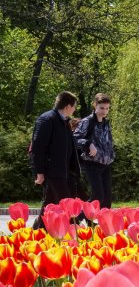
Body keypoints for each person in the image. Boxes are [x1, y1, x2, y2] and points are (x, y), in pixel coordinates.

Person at [30, 91, 83, 230]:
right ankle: (76, 234)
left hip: (64, 171)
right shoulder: (47, 119)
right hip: (53, 171)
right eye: (74, 106)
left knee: (50, 204)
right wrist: (39, 172)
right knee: (66, 203)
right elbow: (37, 147)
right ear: (67, 106)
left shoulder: (64, 121)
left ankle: (37, 232)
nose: (74, 109)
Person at [74, 93, 115, 209]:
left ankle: (104, 224)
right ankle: (78, 218)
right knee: (98, 196)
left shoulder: (106, 123)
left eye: (107, 108)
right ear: (95, 105)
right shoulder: (87, 121)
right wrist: (88, 143)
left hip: (106, 164)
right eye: (102, 108)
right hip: (92, 164)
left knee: (107, 200)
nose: (104, 111)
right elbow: (74, 138)